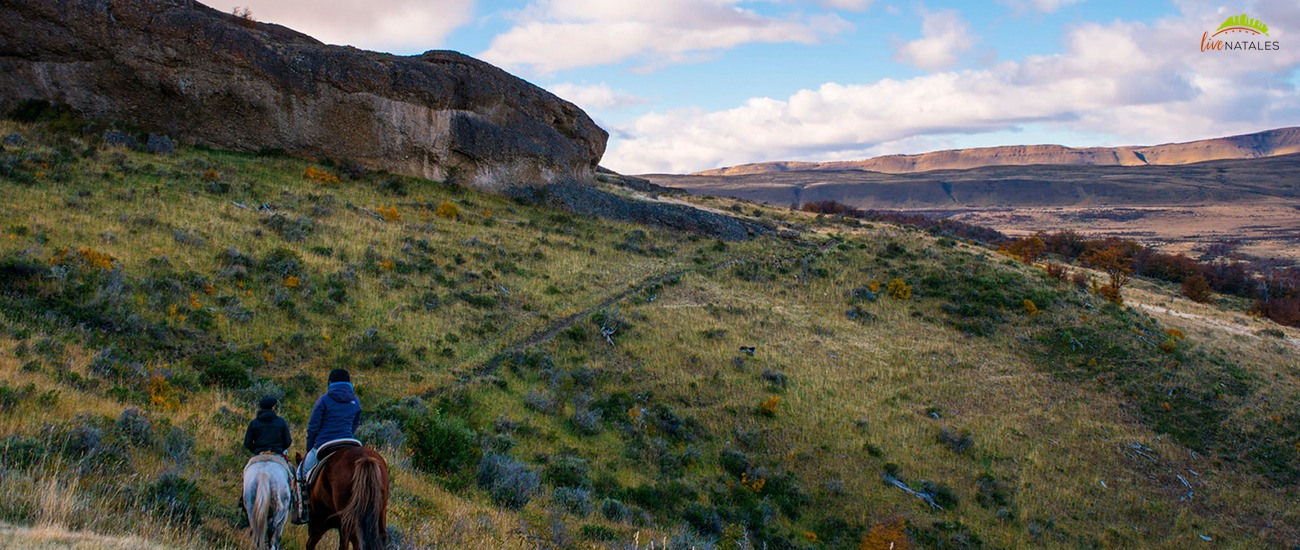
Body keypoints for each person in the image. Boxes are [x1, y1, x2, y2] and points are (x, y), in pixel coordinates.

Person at [297, 368, 362, 521]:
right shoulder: (355, 401)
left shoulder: (324, 400)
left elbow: (313, 427)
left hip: (324, 444)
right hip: (348, 442)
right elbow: (355, 424)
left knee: (301, 473)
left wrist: (309, 448)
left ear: (330, 383)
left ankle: (303, 511)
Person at [240, 396, 293, 526]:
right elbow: (288, 441)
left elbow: (247, 442)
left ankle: (243, 500)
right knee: (291, 477)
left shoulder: (254, 423)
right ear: (273, 408)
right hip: (276, 455)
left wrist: (257, 451)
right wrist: (280, 449)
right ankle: (294, 502)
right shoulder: (281, 422)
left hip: (259, 456)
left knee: (246, 474)